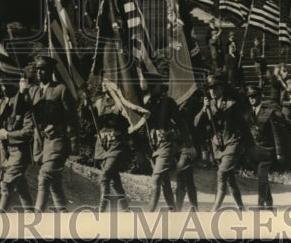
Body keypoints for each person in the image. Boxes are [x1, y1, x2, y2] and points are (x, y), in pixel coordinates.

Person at [27, 55, 76, 211]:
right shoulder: (32, 91)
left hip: (57, 141)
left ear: (51, 71)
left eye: (44, 70)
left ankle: (36, 217)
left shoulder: (60, 89)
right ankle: (64, 214)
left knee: (45, 176)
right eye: (38, 70)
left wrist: (73, 143)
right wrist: (23, 94)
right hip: (40, 143)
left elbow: (72, 118)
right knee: (54, 183)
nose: (40, 73)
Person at [196, 74, 251, 211]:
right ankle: (241, 207)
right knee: (230, 178)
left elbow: (243, 126)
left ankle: (215, 208)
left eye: (215, 88)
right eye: (210, 89)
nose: (212, 91)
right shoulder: (208, 105)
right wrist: (204, 109)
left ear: (221, 88)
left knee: (221, 173)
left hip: (232, 143)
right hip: (218, 146)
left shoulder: (232, 104)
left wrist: (249, 146)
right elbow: (196, 124)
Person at [0, 76, 34, 211]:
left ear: (15, 85)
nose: (4, 89)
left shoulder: (25, 104)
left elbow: (29, 132)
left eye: (8, 85)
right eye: (2, 85)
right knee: (20, 186)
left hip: (20, 151)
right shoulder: (0, 104)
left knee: (7, 184)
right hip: (4, 152)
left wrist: (7, 135)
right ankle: (32, 215)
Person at [142, 72, 190, 212]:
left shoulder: (168, 102)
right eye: (149, 86)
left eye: (153, 86)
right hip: (151, 146)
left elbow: (181, 124)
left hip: (165, 143)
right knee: (165, 183)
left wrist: (189, 144)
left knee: (155, 180)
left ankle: (150, 214)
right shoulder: (143, 103)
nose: (151, 88)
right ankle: (174, 211)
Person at [85, 85, 132, 212]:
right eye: (105, 83)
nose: (106, 85)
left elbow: (131, 122)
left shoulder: (123, 101)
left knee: (105, 176)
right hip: (102, 145)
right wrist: (85, 103)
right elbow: (86, 117)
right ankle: (125, 208)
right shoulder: (99, 102)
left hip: (116, 143)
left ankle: (102, 209)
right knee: (114, 179)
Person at [246, 85, 281, 208]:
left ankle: (260, 204)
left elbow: (275, 132)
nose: (252, 99)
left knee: (261, 176)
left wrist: (278, 151)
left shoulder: (268, 112)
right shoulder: (249, 113)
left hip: (267, 150)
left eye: (254, 96)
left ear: (260, 97)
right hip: (254, 151)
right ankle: (269, 201)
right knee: (262, 178)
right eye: (250, 97)